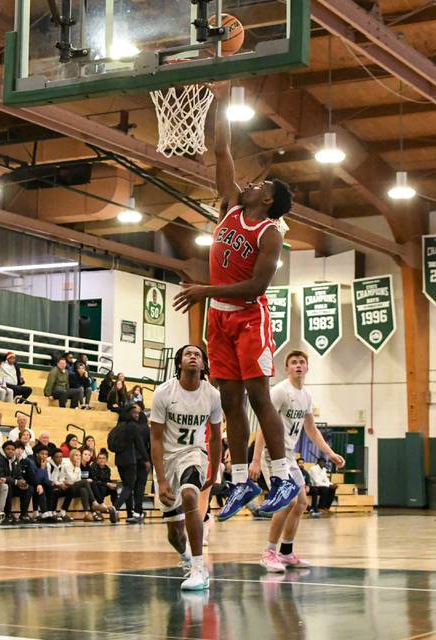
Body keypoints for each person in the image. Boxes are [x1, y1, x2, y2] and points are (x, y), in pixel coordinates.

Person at [173, 82, 299, 521]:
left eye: (259, 184)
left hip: (248, 317)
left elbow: (256, 288)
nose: (249, 183)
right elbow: (222, 150)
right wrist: (222, 100)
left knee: (258, 395)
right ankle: (242, 480)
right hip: (219, 319)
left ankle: (282, 476)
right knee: (229, 399)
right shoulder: (229, 206)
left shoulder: (270, 234)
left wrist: (205, 290)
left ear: (268, 199)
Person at [250, 350, 346, 572]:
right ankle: (269, 553)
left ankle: (286, 552)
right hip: (272, 454)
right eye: (293, 362)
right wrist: (255, 459)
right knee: (288, 501)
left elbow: (311, 429)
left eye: (302, 362)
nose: (298, 365)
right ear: (287, 368)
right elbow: (264, 425)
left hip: (288, 455)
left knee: (301, 502)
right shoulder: (279, 391)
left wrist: (330, 453)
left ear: (307, 367)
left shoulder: (306, 395)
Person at [150, 345, 223, 590]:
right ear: (179, 363)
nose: (193, 356)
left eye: (198, 354)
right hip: (167, 460)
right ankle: (186, 557)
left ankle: (199, 570)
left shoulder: (212, 395)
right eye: (188, 354)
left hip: (194, 454)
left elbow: (216, 437)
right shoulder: (163, 392)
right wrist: (161, 480)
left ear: (203, 364)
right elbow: (156, 438)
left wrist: (213, 471)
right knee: (174, 534)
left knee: (191, 496)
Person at [109, 405, 147, 523]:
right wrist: (146, 459)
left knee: (127, 486)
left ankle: (130, 513)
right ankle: (115, 507)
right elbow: (140, 444)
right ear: (129, 414)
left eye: (138, 413)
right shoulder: (133, 426)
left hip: (119, 460)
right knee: (129, 486)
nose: (137, 415)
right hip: (130, 460)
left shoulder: (119, 426)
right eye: (134, 413)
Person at [61, 448, 117, 523]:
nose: (79, 457)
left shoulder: (88, 467)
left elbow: (80, 479)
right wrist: (78, 468)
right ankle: (97, 505)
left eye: (88, 455)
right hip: (70, 486)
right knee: (87, 482)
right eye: (84, 454)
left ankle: (87, 513)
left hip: (80, 487)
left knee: (85, 489)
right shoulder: (69, 465)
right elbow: (72, 480)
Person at [0, 440, 35, 524]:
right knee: (8, 486)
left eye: (12, 449)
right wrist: (16, 482)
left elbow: (18, 475)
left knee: (29, 488)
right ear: (3, 450)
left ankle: (24, 514)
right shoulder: (0, 460)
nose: (11, 451)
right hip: (3, 486)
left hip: (13, 486)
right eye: (8, 449)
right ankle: (8, 514)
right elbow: (1, 476)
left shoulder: (15, 460)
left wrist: (22, 481)